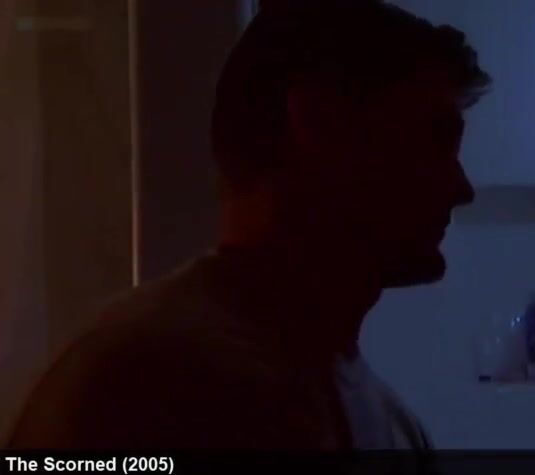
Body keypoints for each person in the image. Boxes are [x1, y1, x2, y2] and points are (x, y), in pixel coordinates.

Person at [9, 0, 490, 449]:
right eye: (435, 140)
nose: (461, 187)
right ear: (316, 123)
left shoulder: (393, 424)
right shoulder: (142, 385)